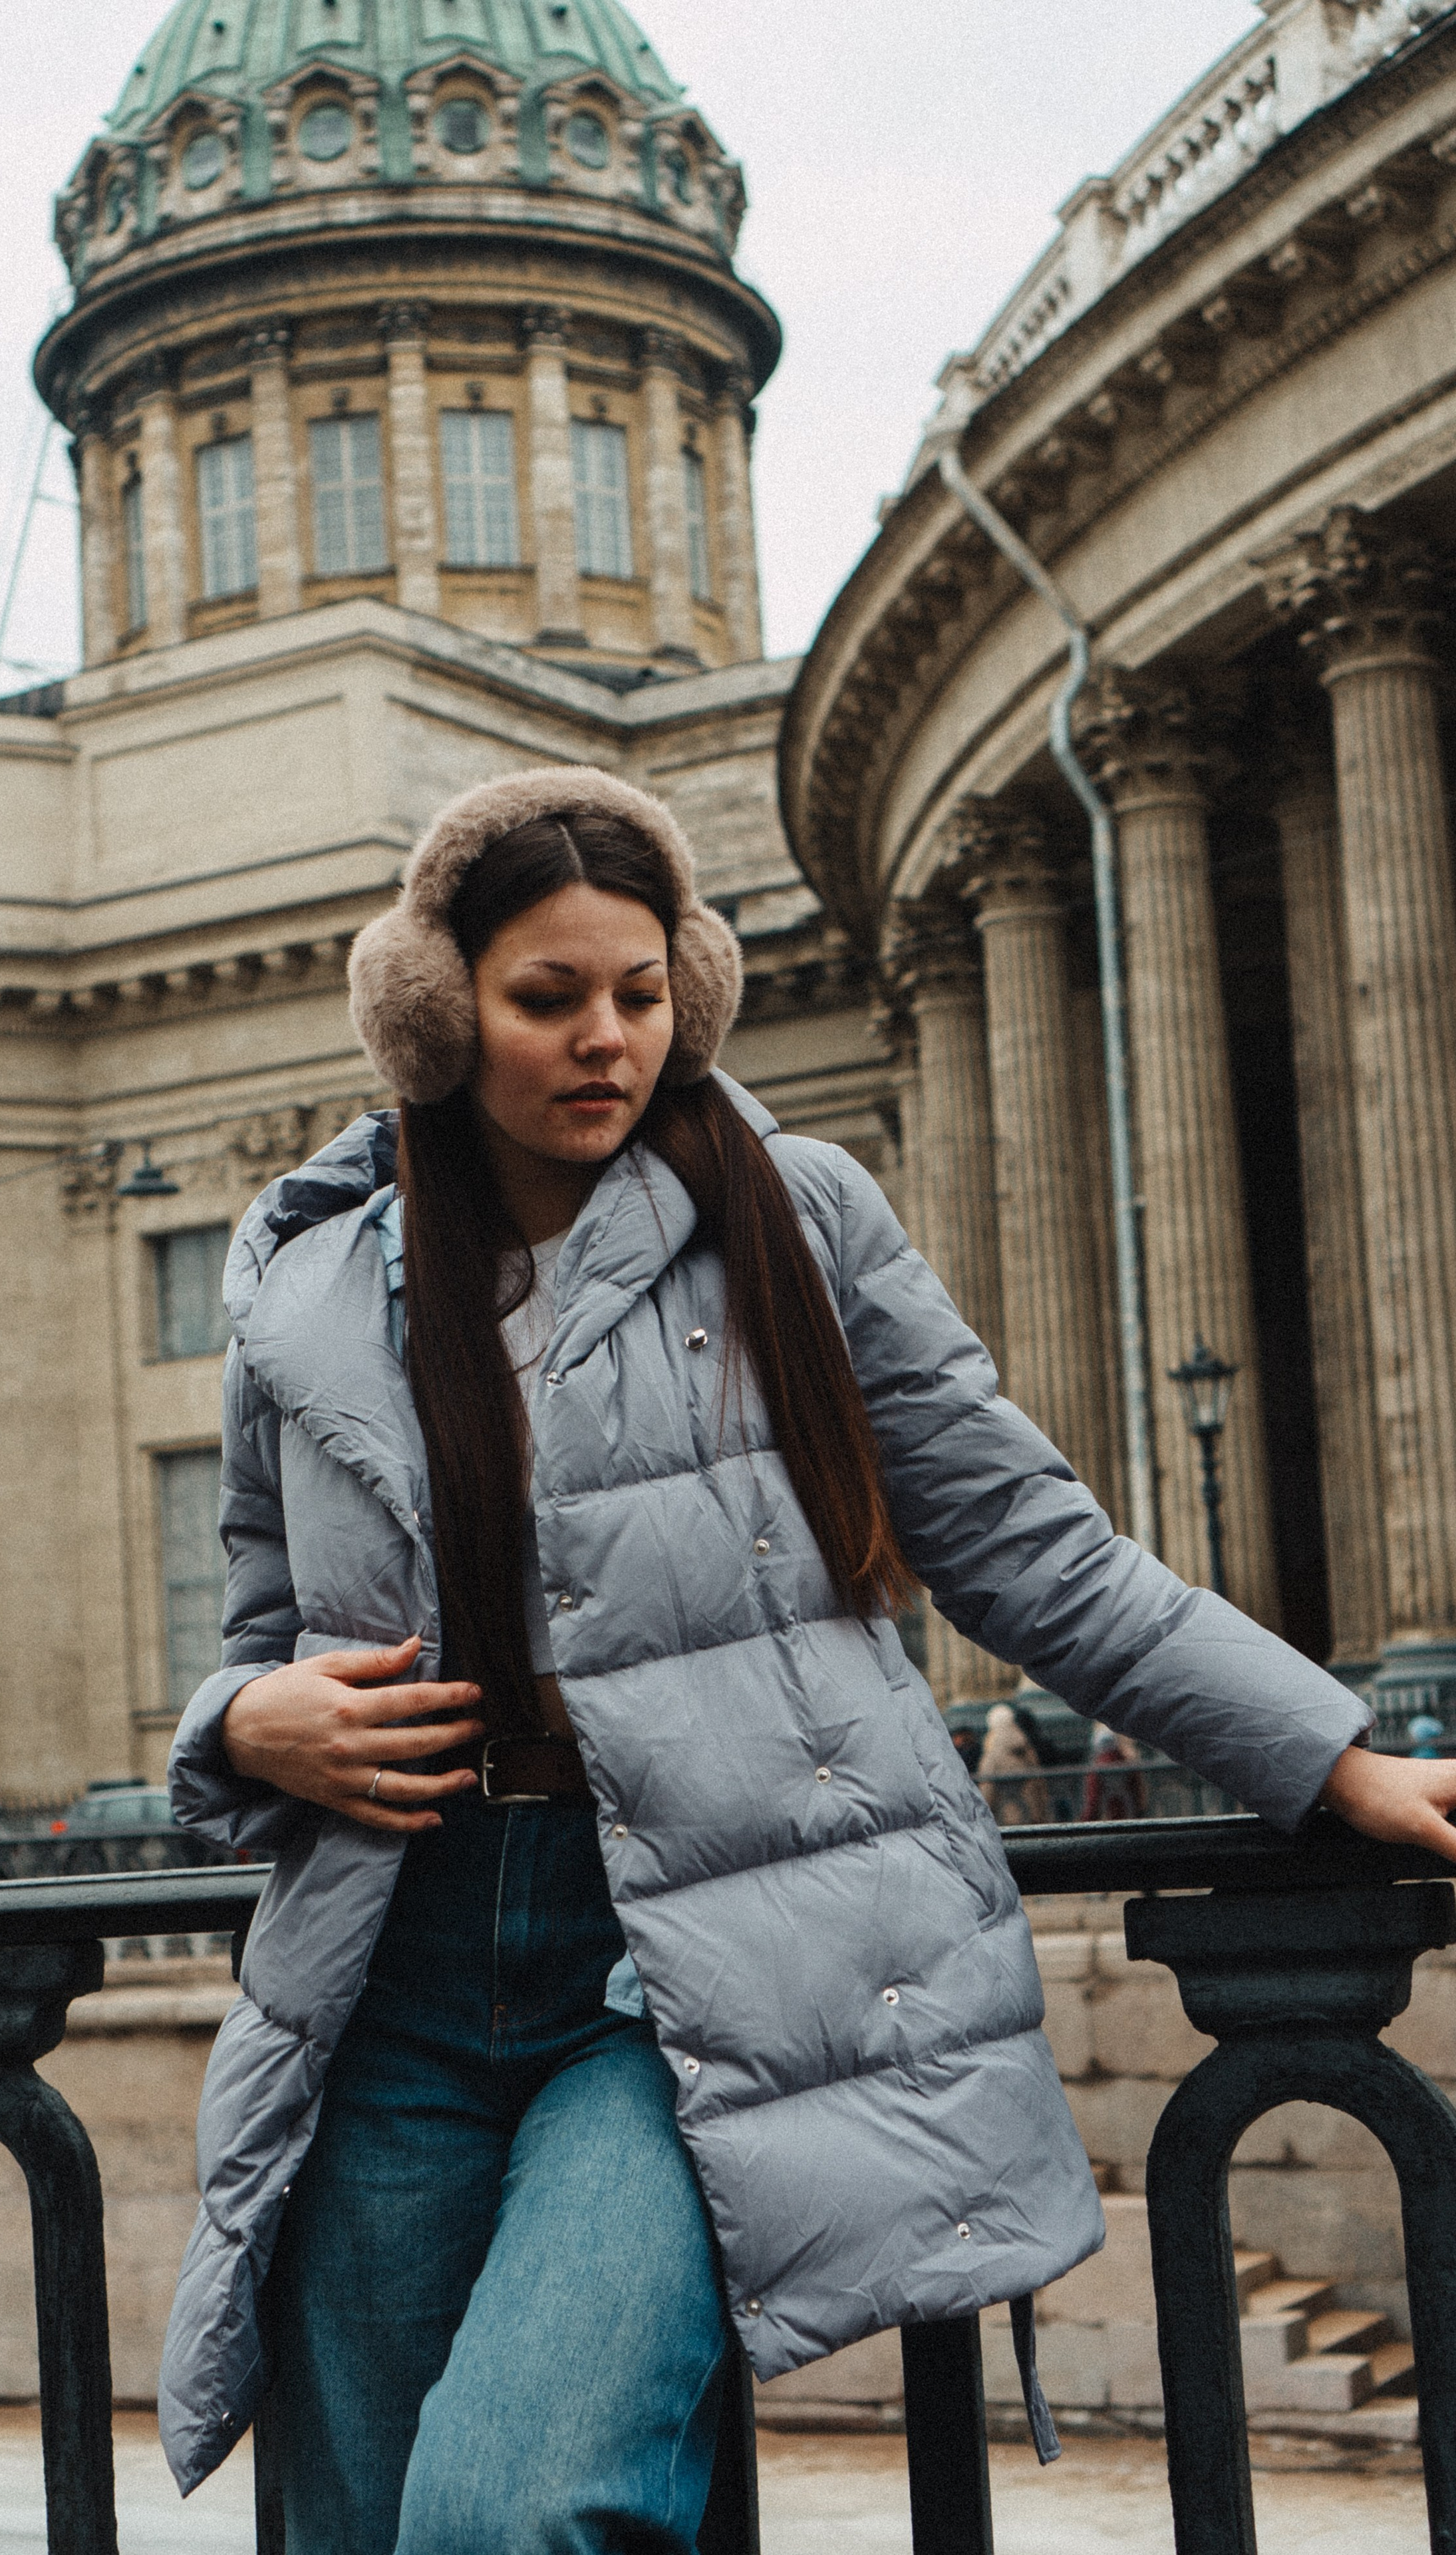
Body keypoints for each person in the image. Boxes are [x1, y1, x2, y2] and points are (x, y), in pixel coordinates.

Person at [157, 766, 1456, 2554]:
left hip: (696, 1962)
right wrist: (245, 1723)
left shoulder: (796, 1211)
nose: (609, 1038)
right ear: (438, 1010)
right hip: (388, 1975)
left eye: (640, 990)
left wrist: (1329, 1755)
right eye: (549, 999)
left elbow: (1028, 1548)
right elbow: (251, 1640)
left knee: (507, 2512)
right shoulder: (305, 1287)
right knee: (358, 2527)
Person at [977, 1699, 1052, 1826]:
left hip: (1006, 1816)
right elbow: (1040, 1782)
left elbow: (987, 1788)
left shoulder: (992, 1753)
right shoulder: (1027, 1747)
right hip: (1034, 1815)